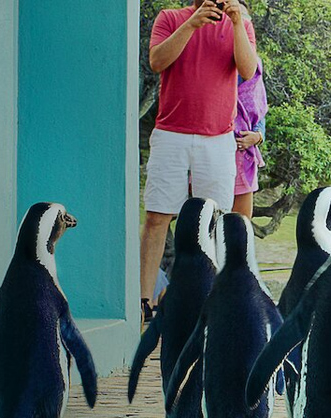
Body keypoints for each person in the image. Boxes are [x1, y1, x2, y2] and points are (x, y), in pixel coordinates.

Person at [141, 0, 258, 322]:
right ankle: (144, 301)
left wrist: (235, 23)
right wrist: (192, 23)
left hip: (218, 138)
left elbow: (247, 71)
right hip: (171, 134)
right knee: (156, 218)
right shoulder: (171, 18)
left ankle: (212, 297)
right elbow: (157, 61)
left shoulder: (241, 25)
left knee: (215, 220)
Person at [231, 0, 266, 218]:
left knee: (241, 224)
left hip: (245, 152)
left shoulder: (255, 67)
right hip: (217, 146)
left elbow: (260, 109)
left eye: (245, 20)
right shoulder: (215, 60)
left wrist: (258, 136)